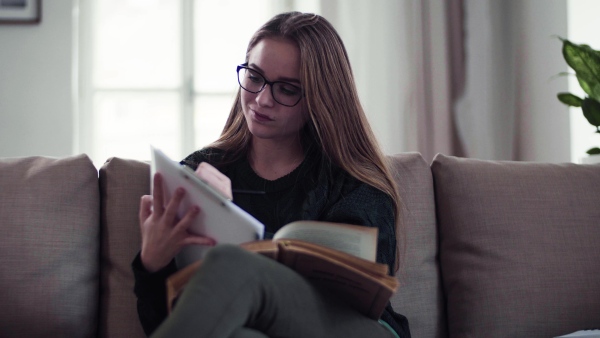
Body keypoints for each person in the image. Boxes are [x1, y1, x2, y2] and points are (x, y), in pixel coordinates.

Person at [132, 11, 411, 338]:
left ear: (320, 98)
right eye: (254, 77)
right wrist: (152, 263)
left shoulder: (355, 182)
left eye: (287, 89)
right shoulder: (201, 173)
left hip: (355, 330)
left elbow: (362, 299)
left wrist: (239, 245)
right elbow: (166, 324)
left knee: (230, 263)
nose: (262, 100)